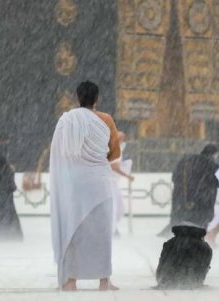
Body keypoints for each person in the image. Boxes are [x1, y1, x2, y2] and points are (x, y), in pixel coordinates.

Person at [50, 81, 120, 291]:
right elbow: (115, 154)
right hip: (99, 182)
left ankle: (71, 279)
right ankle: (103, 280)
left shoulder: (67, 120)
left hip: (75, 184)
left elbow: (61, 153)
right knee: (101, 232)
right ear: (97, 99)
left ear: (77, 97)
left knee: (74, 229)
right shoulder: (106, 119)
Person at [159, 144, 219, 237]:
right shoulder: (211, 165)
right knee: (201, 221)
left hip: (181, 195)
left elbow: (174, 177)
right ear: (213, 154)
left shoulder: (186, 161)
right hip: (202, 200)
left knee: (179, 218)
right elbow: (217, 181)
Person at [155, 223, 212, 289]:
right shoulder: (204, 247)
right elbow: (203, 268)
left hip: (165, 282)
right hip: (192, 284)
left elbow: (162, 265)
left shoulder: (170, 243)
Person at [0, 135, 23, 241]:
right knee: (5, 210)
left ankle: (4, 231)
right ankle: (7, 232)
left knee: (4, 210)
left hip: (2, 188)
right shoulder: (1, 155)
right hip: (4, 187)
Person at [110, 131, 134, 236]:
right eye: (120, 138)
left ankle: (112, 228)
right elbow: (114, 167)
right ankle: (112, 229)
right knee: (116, 207)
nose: (122, 140)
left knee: (118, 207)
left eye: (123, 138)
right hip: (109, 182)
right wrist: (128, 176)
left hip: (112, 182)